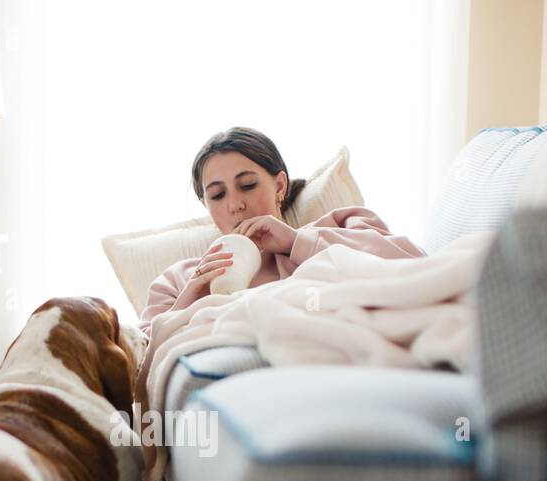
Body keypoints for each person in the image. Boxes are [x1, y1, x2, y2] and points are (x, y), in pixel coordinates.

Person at [139, 127, 425, 333]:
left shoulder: (341, 226)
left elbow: (417, 270)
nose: (235, 204)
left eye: (247, 185)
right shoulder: (178, 281)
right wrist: (192, 297)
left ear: (279, 186)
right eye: (217, 195)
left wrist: (297, 243)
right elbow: (139, 365)